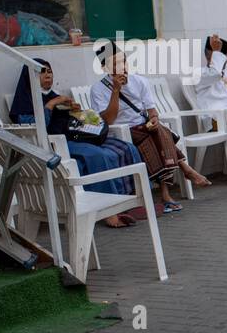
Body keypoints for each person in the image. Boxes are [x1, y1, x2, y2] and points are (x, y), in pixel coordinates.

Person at [11, 59, 142, 229]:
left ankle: (131, 200)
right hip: (53, 145)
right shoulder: (25, 101)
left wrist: (75, 110)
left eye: (49, 71)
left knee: (126, 148)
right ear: (30, 77)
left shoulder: (53, 95)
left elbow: (75, 122)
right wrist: (51, 105)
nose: (48, 75)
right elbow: (35, 127)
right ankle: (108, 211)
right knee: (98, 155)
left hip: (73, 138)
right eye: (42, 72)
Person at [90, 42, 210, 213]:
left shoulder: (140, 81)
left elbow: (152, 111)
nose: (122, 67)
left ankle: (169, 190)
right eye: (115, 64)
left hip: (143, 126)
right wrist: (116, 91)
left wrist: (153, 119)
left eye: (123, 61)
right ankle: (181, 174)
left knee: (158, 130)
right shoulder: (98, 89)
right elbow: (108, 120)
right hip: (121, 132)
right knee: (156, 137)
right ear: (104, 67)